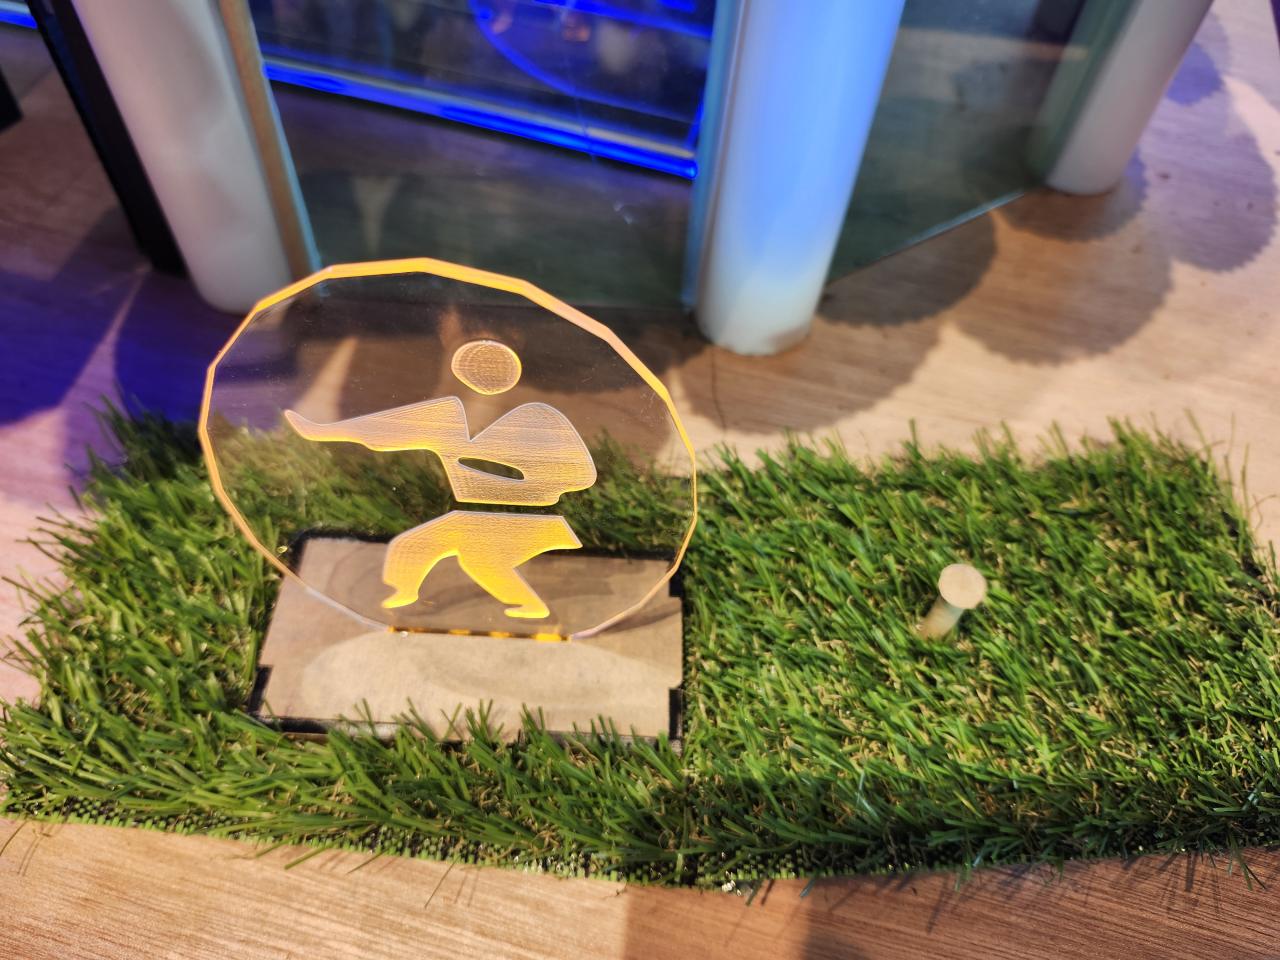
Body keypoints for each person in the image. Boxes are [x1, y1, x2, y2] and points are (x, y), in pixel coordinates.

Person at [284, 339, 596, 619]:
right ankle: (405, 595)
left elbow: (578, 475)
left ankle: (531, 606)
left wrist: (507, 471)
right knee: (412, 545)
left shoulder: (535, 418)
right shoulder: (450, 416)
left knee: (481, 559)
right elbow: (391, 432)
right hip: (475, 517)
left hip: (535, 519)